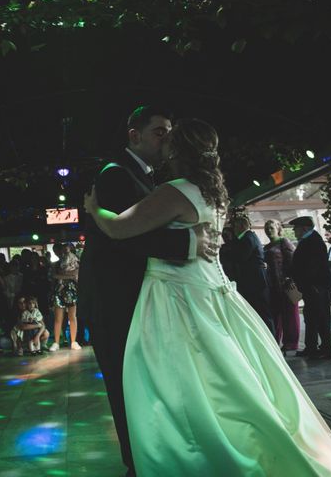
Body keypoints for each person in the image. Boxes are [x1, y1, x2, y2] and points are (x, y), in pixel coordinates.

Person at [83, 118, 331, 477]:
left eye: (169, 139)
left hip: (178, 294)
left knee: (180, 378)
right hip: (213, 292)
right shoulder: (213, 192)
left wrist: (94, 209)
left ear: (179, 150)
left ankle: (193, 449)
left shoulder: (174, 190)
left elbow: (119, 228)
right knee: (227, 375)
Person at [78, 105, 218, 477]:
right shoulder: (114, 175)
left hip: (145, 298)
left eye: (170, 131)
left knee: (149, 382)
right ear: (133, 135)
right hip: (116, 301)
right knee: (127, 386)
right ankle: (137, 464)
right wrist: (189, 242)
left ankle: (157, 454)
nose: (167, 138)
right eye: (159, 131)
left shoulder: (153, 179)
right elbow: (123, 239)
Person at [289, 216, 331, 359]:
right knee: (311, 317)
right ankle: (311, 347)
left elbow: (313, 267)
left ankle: (326, 349)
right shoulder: (308, 240)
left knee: (321, 318)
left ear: (304, 228)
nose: (294, 231)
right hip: (311, 287)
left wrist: (312, 284)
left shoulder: (313, 241)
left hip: (316, 287)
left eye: (296, 228)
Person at [231, 214, 275, 335]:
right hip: (255, 281)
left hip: (256, 282)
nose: (234, 229)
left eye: (235, 226)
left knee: (263, 313)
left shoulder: (248, 238)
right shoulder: (249, 237)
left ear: (241, 226)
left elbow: (240, 257)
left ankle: (272, 340)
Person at [264, 219, 300, 350]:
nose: (268, 230)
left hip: (286, 284)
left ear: (278, 228)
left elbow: (293, 261)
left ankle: (291, 343)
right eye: (266, 228)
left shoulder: (284, 242)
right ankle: (275, 341)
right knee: (275, 315)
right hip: (272, 286)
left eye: (271, 227)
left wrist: (289, 279)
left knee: (290, 315)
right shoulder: (266, 247)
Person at [48, 243, 80, 351]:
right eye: (63, 248)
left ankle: (74, 341)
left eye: (67, 248)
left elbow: (76, 273)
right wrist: (68, 275)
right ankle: (56, 342)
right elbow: (54, 276)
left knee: (72, 316)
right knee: (58, 318)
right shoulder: (56, 264)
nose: (65, 250)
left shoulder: (76, 260)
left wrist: (66, 274)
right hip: (60, 289)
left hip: (72, 289)